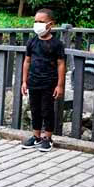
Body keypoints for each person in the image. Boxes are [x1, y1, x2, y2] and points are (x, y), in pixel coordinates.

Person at [20, 9, 66, 152]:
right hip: (33, 81)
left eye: (41, 22)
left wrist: (60, 85)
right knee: (35, 109)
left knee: (47, 110)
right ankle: (36, 136)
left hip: (49, 83)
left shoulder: (56, 44)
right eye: (35, 21)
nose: (37, 24)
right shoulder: (32, 41)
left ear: (50, 24)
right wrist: (24, 81)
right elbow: (27, 61)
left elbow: (61, 64)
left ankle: (48, 138)